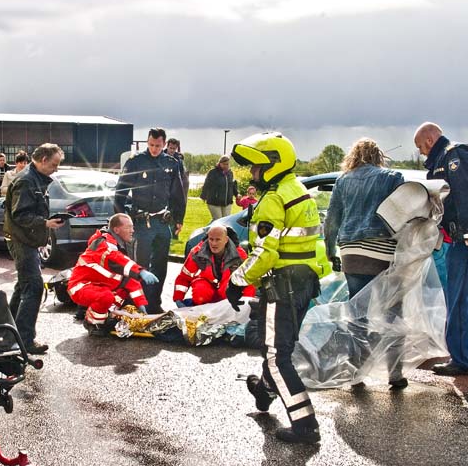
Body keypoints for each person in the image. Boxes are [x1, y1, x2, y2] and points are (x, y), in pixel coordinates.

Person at [226, 132, 324, 444]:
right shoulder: (300, 191)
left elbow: (264, 254)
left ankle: (305, 424)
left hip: (282, 284)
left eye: (256, 168)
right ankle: (265, 392)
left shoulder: (273, 199)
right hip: (305, 280)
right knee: (281, 347)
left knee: (275, 355)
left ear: (272, 165)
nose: (253, 174)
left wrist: (236, 280)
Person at [323, 138, 407, 390]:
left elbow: (332, 220)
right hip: (382, 252)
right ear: (378, 156)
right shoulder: (392, 178)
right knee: (393, 314)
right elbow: (404, 213)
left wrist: (331, 251)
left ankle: (356, 374)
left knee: (357, 315)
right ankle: (395, 374)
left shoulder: (343, 180)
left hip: (351, 253)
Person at [414, 122, 468, 376]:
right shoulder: (449, 155)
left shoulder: (454, 155)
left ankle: (463, 359)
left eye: (420, 147)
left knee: (459, 297)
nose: (421, 153)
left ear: (429, 140)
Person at [114, 127, 186, 314]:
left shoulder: (171, 163)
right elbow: (120, 192)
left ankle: (155, 302)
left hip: (162, 223)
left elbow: (178, 192)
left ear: (164, 144)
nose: (154, 149)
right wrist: (122, 219)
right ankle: (140, 302)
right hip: (141, 222)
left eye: (158, 145)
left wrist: (179, 219)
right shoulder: (136, 162)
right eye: (152, 145)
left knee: (161, 266)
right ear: (147, 142)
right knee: (141, 266)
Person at [3, 143, 66, 354]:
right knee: (34, 287)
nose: (56, 169)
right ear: (44, 160)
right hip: (22, 241)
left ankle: (7, 330)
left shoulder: (34, 178)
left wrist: (45, 222)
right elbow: (20, 215)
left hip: (25, 239)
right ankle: (25, 340)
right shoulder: (27, 180)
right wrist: (45, 223)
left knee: (23, 286)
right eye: (55, 164)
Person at [68, 214, 160, 333]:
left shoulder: (116, 243)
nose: (132, 230)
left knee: (121, 292)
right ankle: (93, 323)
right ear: (117, 230)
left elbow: (128, 280)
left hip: (97, 284)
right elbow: (116, 259)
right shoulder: (104, 245)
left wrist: (141, 305)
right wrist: (140, 271)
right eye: (128, 227)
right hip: (80, 286)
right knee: (106, 297)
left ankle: (107, 315)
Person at [173, 223, 255, 307]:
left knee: (230, 287)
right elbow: (184, 277)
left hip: (227, 295)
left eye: (217, 240)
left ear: (226, 239)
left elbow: (248, 280)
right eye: (211, 239)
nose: (214, 243)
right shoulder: (197, 252)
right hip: (207, 290)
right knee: (200, 290)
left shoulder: (239, 255)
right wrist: (178, 299)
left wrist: (246, 303)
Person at [200, 155, 237, 220]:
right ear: (220, 163)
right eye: (224, 164)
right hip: (214, 202)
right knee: (218, 220)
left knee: (225, 221)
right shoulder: (213, 172)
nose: (226, 166)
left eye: (227, 164)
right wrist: (203, 196)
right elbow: (207, 184)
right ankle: (207, 230)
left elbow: (232, 185)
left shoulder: (230, 173)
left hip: (227, 202)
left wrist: (237, 194)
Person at [166, 138, 190, 203]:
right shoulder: (161, 157)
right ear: (167, 146)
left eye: (174, 149)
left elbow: (182, 173)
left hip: (174, 187)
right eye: (170, 148)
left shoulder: (179, 159)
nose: (172, 150)